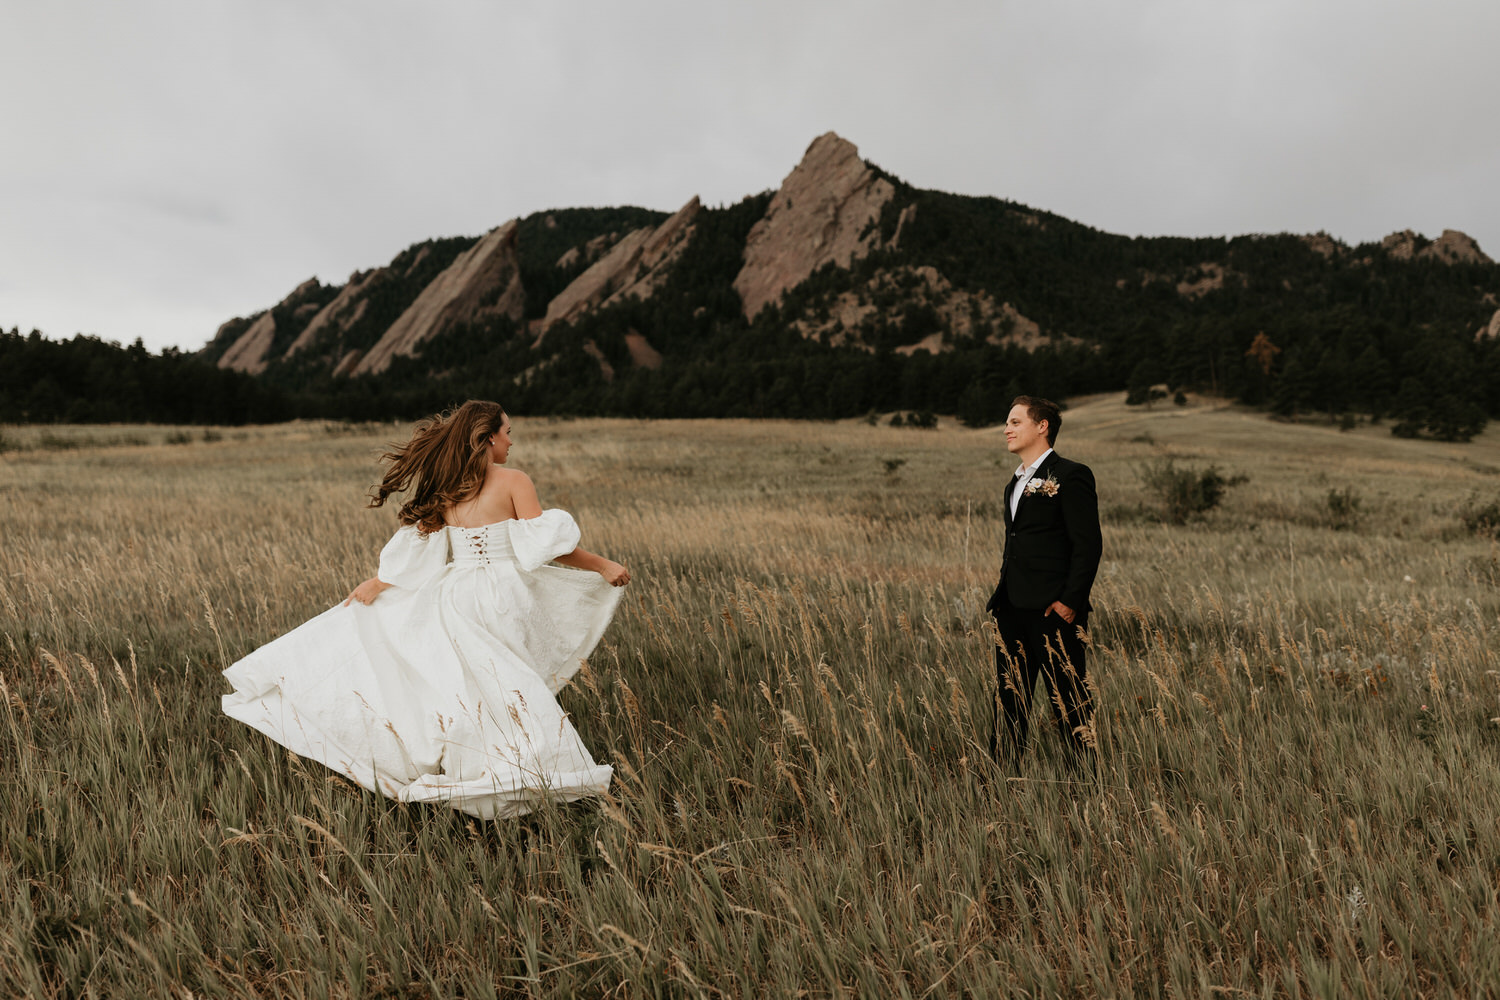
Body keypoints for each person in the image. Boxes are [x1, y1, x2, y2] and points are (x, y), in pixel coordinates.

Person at [222, 401, 630, 820]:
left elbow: (426, 545)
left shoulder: (449, 484)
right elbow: (549, 547)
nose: (511, 440)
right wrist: (602, 564)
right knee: (509, 686)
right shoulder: (514, 481)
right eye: (507, 432)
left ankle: (494, 769)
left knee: (483, 689)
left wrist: (381, 583)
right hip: (504, 598)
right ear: (488, 437)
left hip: (457, 594)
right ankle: (521, 776)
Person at [985, 396, 1102, 771]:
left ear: (1042, 427)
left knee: (1069, 702)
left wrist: (1070, 601)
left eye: (1015, 422)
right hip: (1012, 609)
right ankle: (1002, 780)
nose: (1007, 428)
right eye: (1008, 422)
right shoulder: (1014, 483)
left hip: (1055, 612)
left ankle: (1086, 781)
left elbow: (1088, 545)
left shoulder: (1070, 474)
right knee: (1009, 700)